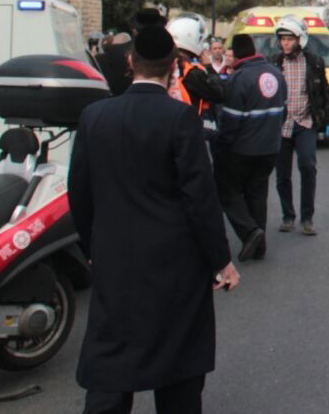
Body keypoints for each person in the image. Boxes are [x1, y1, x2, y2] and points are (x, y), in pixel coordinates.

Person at [69, 23, 239, 414]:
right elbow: (200, 199)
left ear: (130, 63)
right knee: (177, 369)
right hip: (174, 265)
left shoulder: (93, 117)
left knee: (110, 365)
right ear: (174, 67)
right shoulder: (180, 119)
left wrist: (91, 246)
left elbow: (79, 192)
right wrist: (220, 261)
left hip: (114, 261)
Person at [214, 33, 287, 261]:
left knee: (227, 190)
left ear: (234, 54)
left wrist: (222, 143)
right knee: (257, 193)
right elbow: (283, 112)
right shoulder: (276, 74)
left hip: (242, 148)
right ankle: (259, 246)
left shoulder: (239, 79)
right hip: (270, 147)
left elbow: (231, 121)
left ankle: (250, 231)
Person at [271, 16, 329, 237]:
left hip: (305, 123)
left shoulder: (314, 62)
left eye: (289, 39)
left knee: (308, 167)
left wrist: (328, 122)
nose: (285, 43)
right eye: (282, 39)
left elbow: (325, 93)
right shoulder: (274, 62)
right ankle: (288, 217)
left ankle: (307, 218)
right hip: (281, 126)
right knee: (282, 175)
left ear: (300, 39)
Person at [166, 14, 226, 138]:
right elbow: (220, 93)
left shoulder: (162, 64)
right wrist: (209, 67)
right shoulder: (191, 72)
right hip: (187, 132)